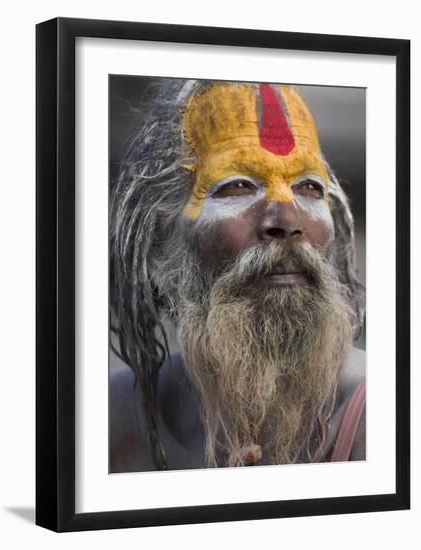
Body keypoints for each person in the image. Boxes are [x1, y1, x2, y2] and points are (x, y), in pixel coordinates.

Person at [109, 79, 366, 472]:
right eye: (238, 186)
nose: (285, 219)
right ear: (163, 243)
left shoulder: (386, 412)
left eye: (309, 187)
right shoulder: (115, 419)